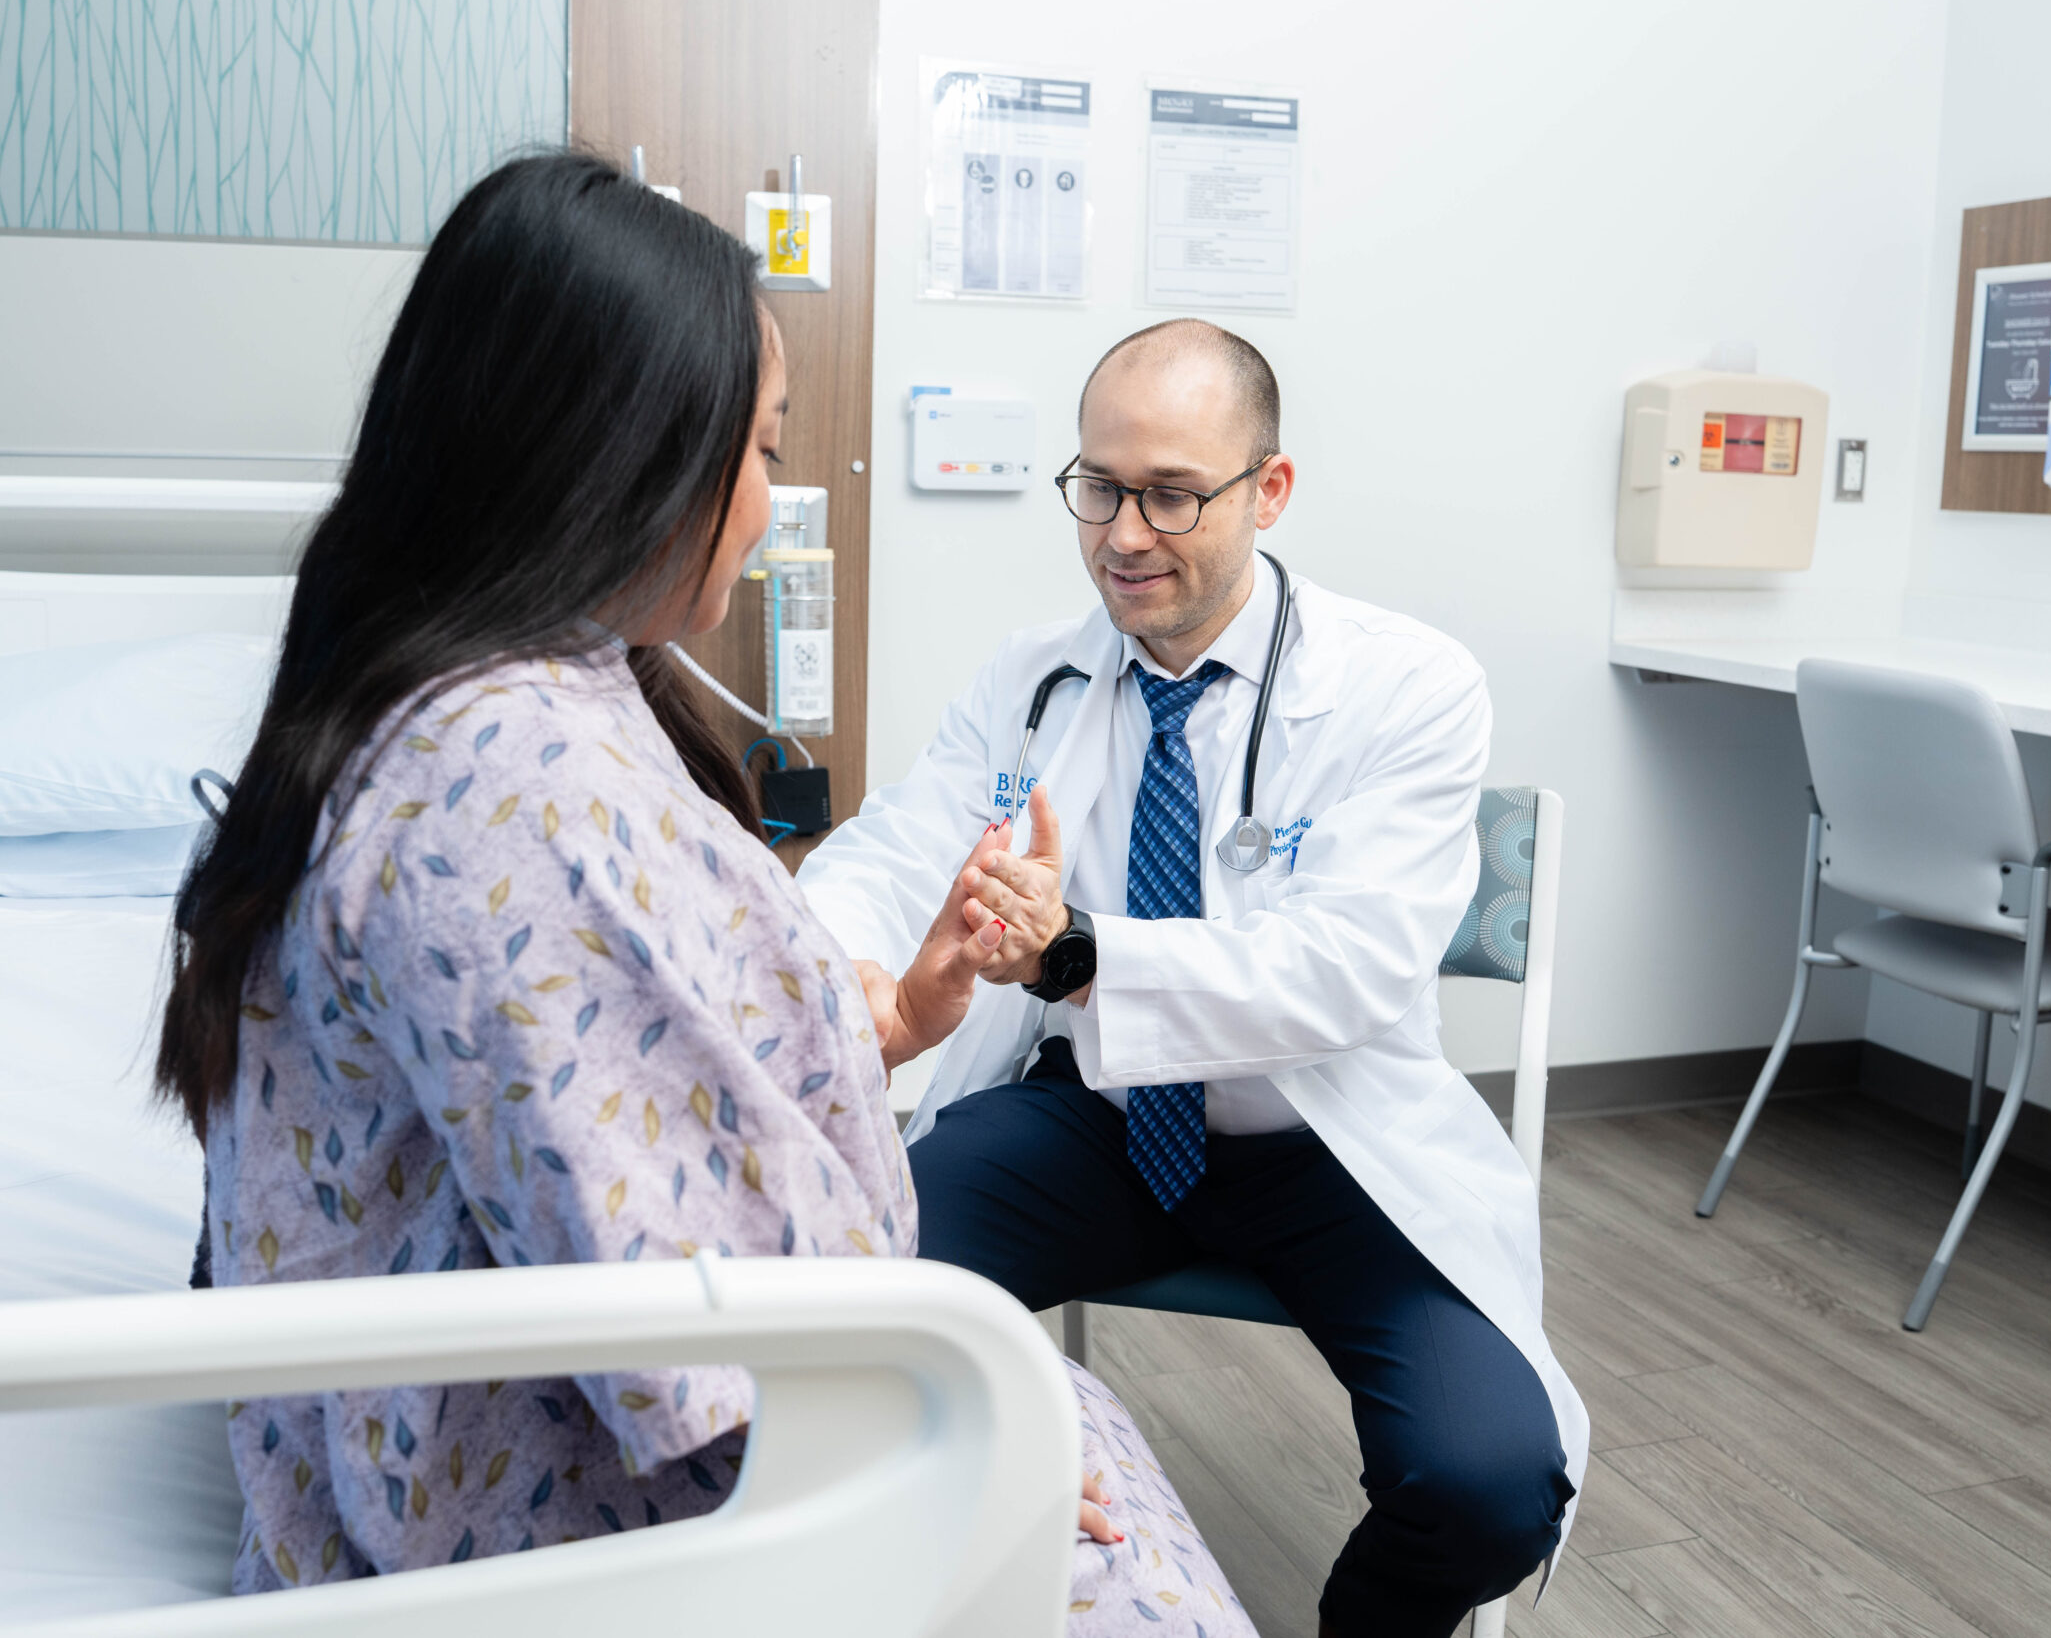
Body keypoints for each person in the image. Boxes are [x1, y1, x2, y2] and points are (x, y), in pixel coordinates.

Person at [156, 155, 1257, 1634]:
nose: (770, 503)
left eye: (1169, 494)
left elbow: (602, 1072)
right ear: (620, 459)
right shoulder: (512, 788)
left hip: (1277, 1141)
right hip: (618, 1508)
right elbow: (679, 1308)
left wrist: (889, 1013)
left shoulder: (513, 692)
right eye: (757, 451)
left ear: (1268, 491)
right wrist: (957, 1442)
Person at [800, 320, 1588, 1638]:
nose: (1123, 533)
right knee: (846, 1308)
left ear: (1268, 493)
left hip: (1322, 1138)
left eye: (1172, 494)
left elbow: (1341, 969)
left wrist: (1073, 953)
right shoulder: (1034, 679)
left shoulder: (1405, 688)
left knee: (1492, 1483)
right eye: (1098, 488)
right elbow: (899, 846)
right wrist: (824, 978)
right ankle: (992, 1541)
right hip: (1094, 1122)